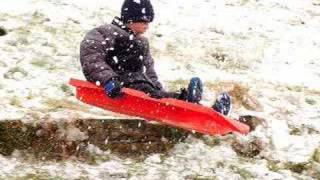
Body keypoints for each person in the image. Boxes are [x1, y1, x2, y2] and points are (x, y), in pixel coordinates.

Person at [80, 0, 231, 115]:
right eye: (144, 21)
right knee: (156, 96)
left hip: (140, 84)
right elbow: (92, 57)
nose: (147, 26)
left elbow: (149, 70)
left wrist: (157, 86)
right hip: (120, 83)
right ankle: (188, 101)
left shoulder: (141, 42)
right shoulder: (106, 32)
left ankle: (203, 108)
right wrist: (108, 80)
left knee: (160, 95)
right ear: (131, 20)